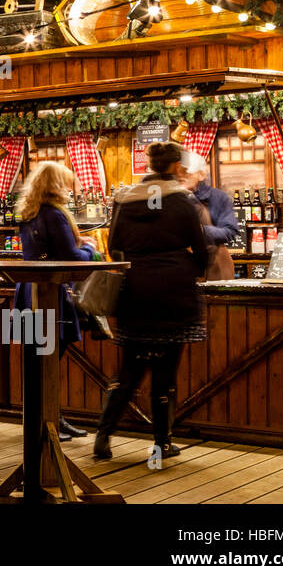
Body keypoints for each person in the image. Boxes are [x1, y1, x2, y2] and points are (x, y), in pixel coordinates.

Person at [94, 141, 209, 462]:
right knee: (165, 372)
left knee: (129, 369)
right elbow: (200, 248)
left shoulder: (125, 200)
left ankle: (103, 437)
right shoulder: (183, 201)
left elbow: (114, 245)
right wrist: (192, 271)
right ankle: (162, 443)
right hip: (174, 291)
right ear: (175, 167)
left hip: (134, 290)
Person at [15, 161, 97, 441]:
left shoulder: (29, 213)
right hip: (52, 294)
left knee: (37, 359)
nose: (70, 190)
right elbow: (70, 259)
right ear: (54, 185)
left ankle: (50, 419)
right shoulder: (54, 215)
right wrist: (90, 249)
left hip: (29, 293)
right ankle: (47, 423)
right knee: (49, 359)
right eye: (65, 183)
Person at [180, 150, 238, 280]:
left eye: (188, 173)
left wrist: (201, 231)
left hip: (216, 265)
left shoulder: (218, 197)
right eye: (180, 173)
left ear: (201, 175)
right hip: (183, 265)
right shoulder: (172, 198)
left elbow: (230, 231)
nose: (183, 176)